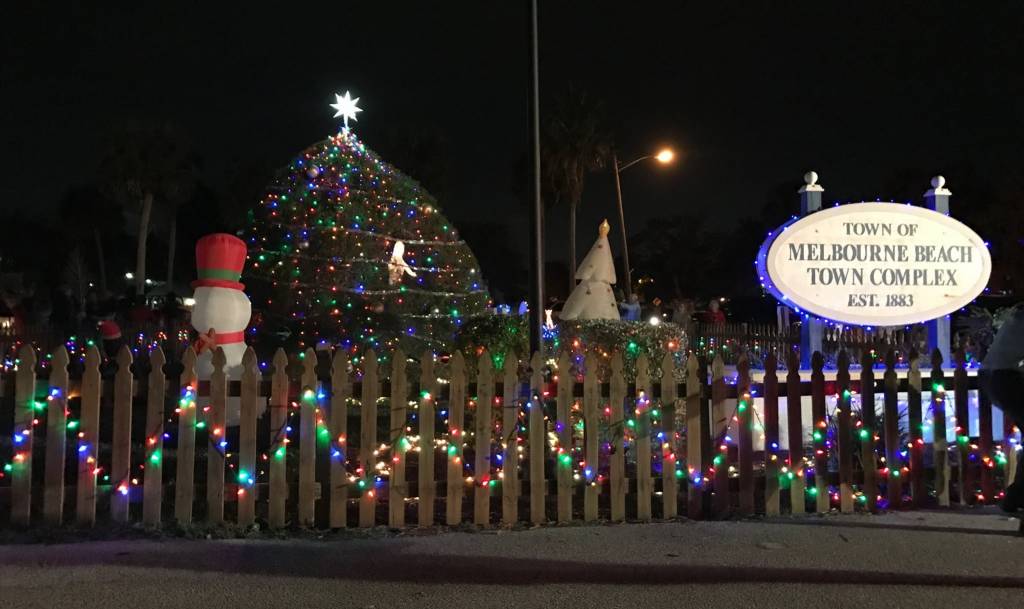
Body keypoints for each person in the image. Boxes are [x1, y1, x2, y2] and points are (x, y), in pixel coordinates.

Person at [979, 305, 1024, 513]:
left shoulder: (1018, 314)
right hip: (1005, 376)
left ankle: (1016, 496)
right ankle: (1015, 496)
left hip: (994, 375)